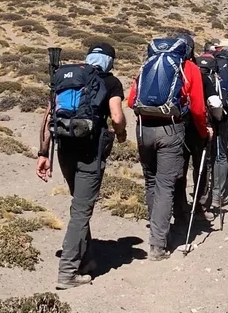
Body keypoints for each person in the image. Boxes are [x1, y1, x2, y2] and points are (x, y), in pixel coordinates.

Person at [36, 43, 127, 290]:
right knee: (81, 211)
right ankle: (67, 272)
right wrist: (121, 134)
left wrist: (43, 153)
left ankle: (85, 260)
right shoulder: (111, 82)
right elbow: (117, 117)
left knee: (79, 204)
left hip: (64, 149)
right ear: (110, 60)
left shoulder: (66, 77)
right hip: (90, 153)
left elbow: (48, 116)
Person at [127, 32, 210, 261]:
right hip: (171, 129)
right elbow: (198, 109)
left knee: (151, 181)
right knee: (165, 185)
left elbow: (131, 100)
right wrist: (203, 133)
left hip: (143, 129)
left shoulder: (148, 65)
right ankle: (158, 244)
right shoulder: (189, 68)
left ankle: (156, 230)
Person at [198, 40, 228, 216]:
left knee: (203, 158)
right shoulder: (223, 73)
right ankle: (217, 195)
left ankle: (202, 197)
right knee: (221, 156)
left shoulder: (195, 72)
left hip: (200, 120)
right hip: (220, 120)